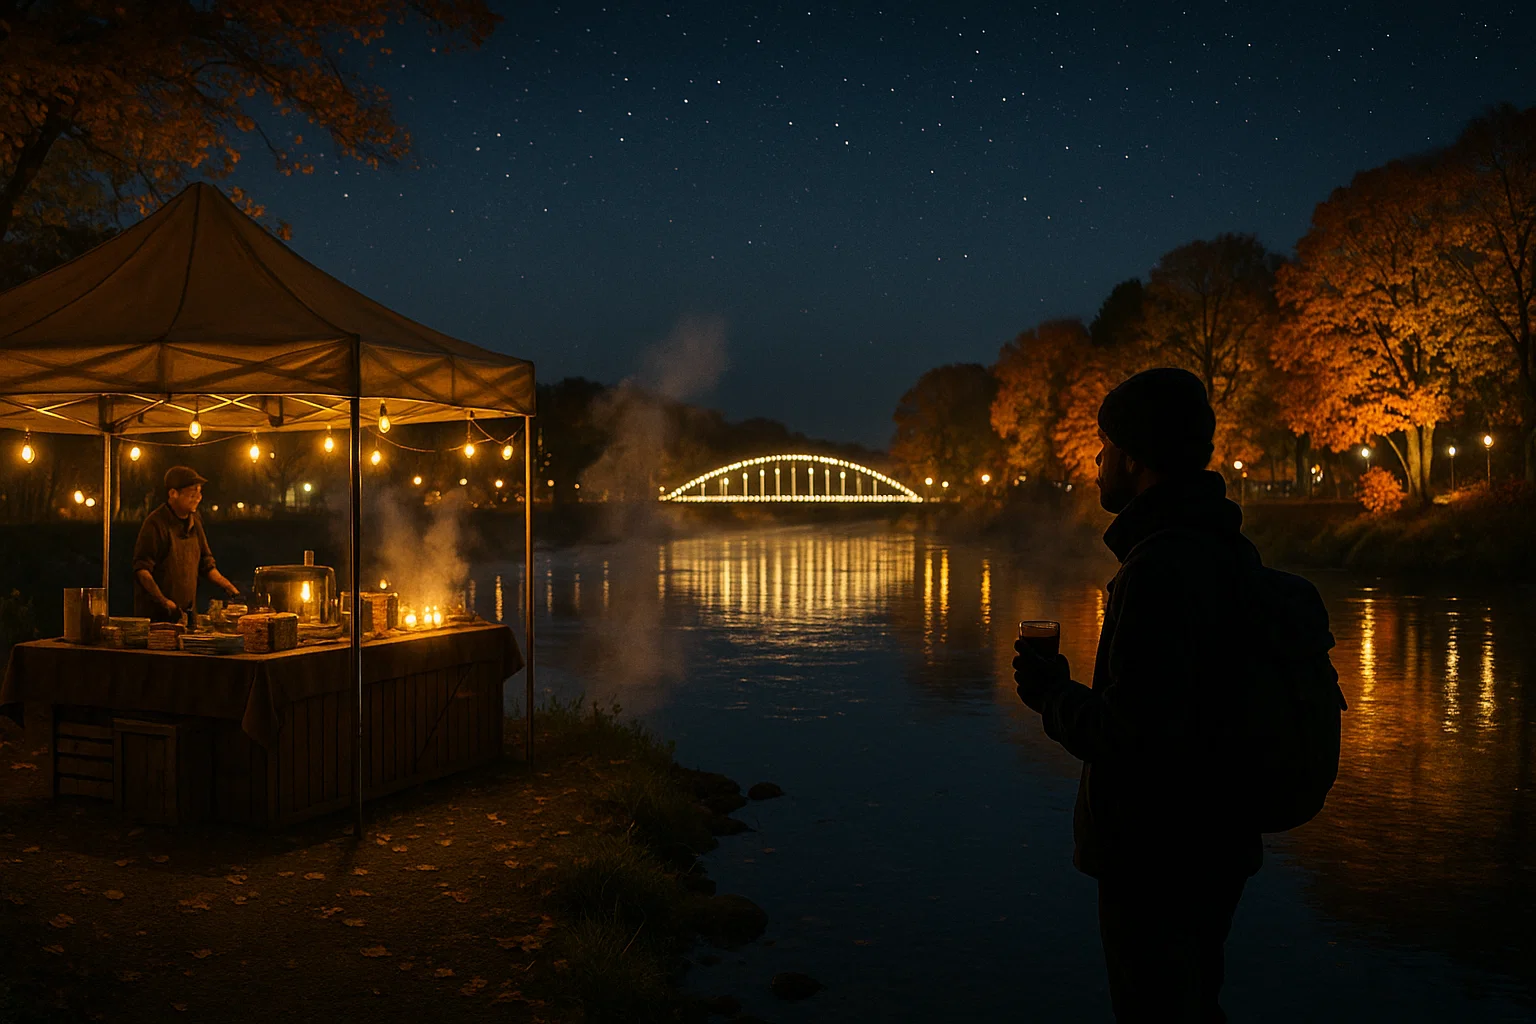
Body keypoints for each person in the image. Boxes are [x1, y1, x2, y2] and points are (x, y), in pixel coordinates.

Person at [1012, 367, 1262, 1023]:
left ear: (1134, 456)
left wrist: (1052, 695)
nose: (1095, 458)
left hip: (1156, 851)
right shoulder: (1227, 550)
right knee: (1195, 1001)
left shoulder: (1157, 571)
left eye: (1104, 444)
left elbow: (1132, 737)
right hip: (1220, 836)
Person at [132, 465, 241, 622]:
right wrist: (165, 602)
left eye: (199, 493)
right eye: (192, 494)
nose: (198, 498)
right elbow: (142, 570)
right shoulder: (155, 524)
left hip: (188, 615)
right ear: (173, 493)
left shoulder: (194, 522)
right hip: (157, 618)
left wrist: (228, 587)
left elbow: (207, 564)